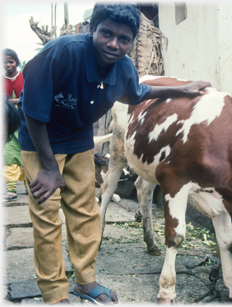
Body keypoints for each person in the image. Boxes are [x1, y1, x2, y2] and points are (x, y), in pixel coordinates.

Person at [17, 3, 210, 305]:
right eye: (106, 33)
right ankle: (54, 294)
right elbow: (32, 111)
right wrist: (49, 168)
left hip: (78, 139)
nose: (114, 44)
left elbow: (138, 94)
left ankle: (85, 281)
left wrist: (183, 89)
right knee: (46, 216)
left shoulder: (123, 68)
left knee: (85, 213)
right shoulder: (61, 53)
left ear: (131, 41)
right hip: (40, 139)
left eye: (124, 39)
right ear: (92, 29)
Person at [3, 48, 25, 200]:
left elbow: (29, 96)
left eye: (11, 61)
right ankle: (11, 189)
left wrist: (11, 101)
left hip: (24, 120)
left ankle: (30, 186)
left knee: (27, 153)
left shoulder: (24, 78)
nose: (8, 65)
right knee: (9, 154)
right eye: (5, 62)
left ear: (16, 62)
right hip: (7, 121)